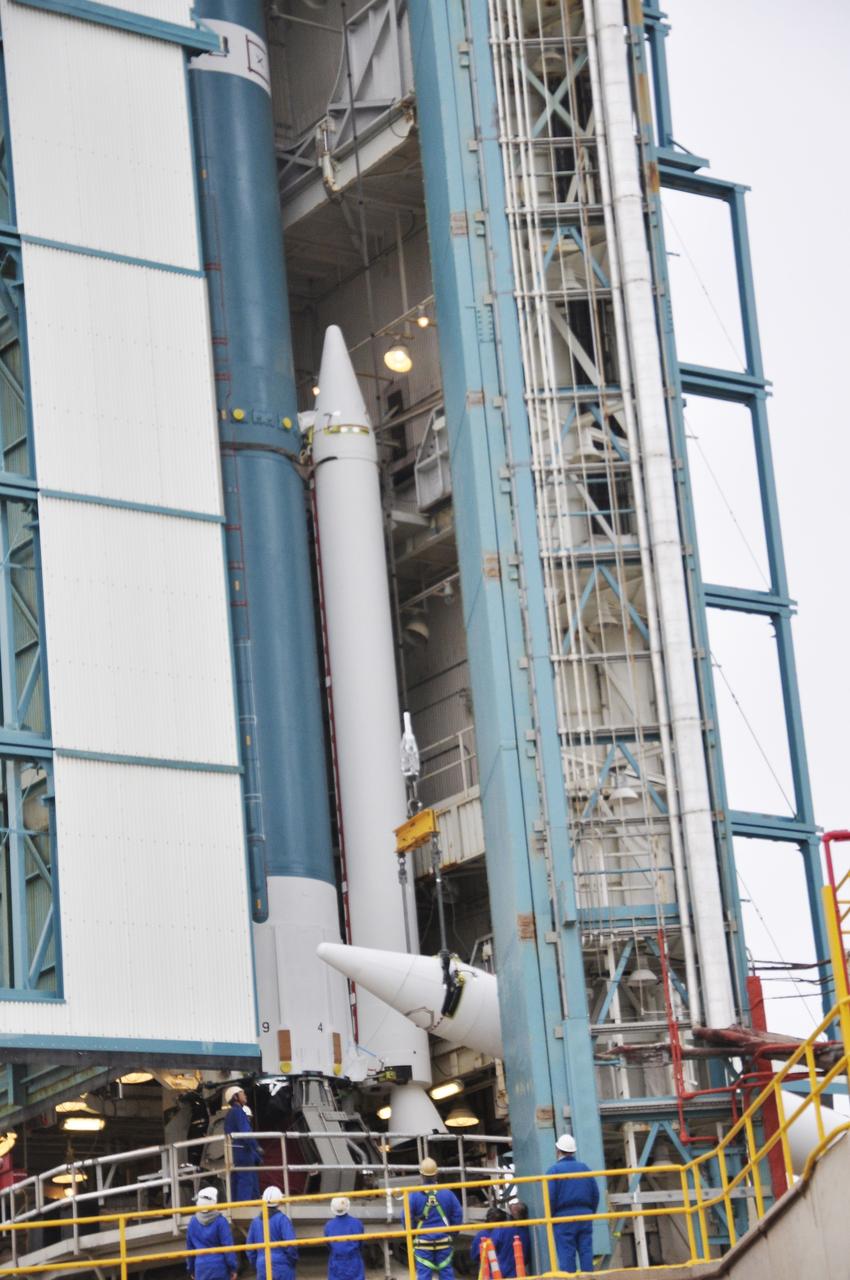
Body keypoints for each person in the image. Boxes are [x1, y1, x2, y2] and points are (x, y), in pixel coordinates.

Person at [545, 1134, 599, 1274]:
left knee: (566, 1254)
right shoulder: (585, 1168)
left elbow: (550, 1198)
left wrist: (550, 1217)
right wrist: (590, 1212)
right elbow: (595, 1194)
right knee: (586, 1251)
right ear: (573, 1151)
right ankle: (589, 1277)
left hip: (563, 1218)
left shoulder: (553, 1171)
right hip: (585, 1215)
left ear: (558, 1151)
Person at [406, 1156, 463, 1280]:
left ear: (421, 1175)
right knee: (447, 1273)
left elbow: (406, 1217)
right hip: (444, 1242)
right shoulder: (447, 1194)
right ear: (436, 1175)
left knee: (424, 1276)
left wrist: (414, 1231)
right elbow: (458, 1214)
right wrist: (453, 1232)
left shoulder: (413, 1195)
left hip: (423, 1243)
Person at [246, 1186, 298, 1280]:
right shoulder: (282, 1220)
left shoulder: (255, 1222)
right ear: (279, 1201)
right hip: (282, 1265)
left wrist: (258, 1263)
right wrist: (291, 1261)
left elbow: (250, 1249)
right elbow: (291, 1244)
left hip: (262, 1265)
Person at [185, 1186, 237, 1280]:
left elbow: (190, 1250)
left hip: (201, 1268)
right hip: (219, 1267)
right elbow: (228, 1247)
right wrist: (233, 1268)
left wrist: (191, 1269)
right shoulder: (221, 1221)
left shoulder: (192, 1222)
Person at [223, 1084, 262, 1203]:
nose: (245, 1095)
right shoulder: (238, 1112)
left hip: (233, 1152)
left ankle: (236, 1207)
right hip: (243, 1152)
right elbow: (246, 1133)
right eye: (242, 1093)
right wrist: (257, 1147)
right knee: (246, 1180)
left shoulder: (230, 1115)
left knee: (236, 1181)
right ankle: (243, 1207)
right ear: (235, 1097)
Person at [323, 1195, 365, 1280]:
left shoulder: (329, 1226)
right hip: (354, 1260)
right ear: (347, 1206)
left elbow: (328, 1245)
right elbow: (361, 1244)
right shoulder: (357, 1223)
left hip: (336, 1261)